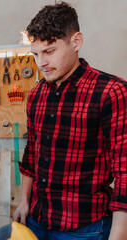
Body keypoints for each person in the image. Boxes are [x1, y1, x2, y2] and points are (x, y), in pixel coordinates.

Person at [13, 2, 127, 240]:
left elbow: (125, 169)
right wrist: (24, 201)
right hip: (37, 220)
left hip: (86, 228)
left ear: (76, 42)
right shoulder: (36, 95)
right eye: (35, 54)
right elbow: (31, 152)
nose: (41, 63)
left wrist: (119, 234)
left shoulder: (111, 91)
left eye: (50, 51)